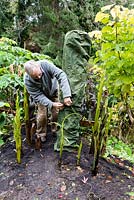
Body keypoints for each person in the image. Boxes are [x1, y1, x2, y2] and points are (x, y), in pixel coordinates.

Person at [24, 59, 72, 146]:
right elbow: (38, 95)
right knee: (42, 116)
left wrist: (67, 95)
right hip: (41, 96)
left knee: (56, 113)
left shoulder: (45, 65)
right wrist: (51, 104)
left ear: (39, 67)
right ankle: (41, 134)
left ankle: (55, 130)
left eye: (39, 74)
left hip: (53, 91)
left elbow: (61, 75)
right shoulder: (27, 80)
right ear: (29, 75)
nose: (39, 77)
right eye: (35, 77)